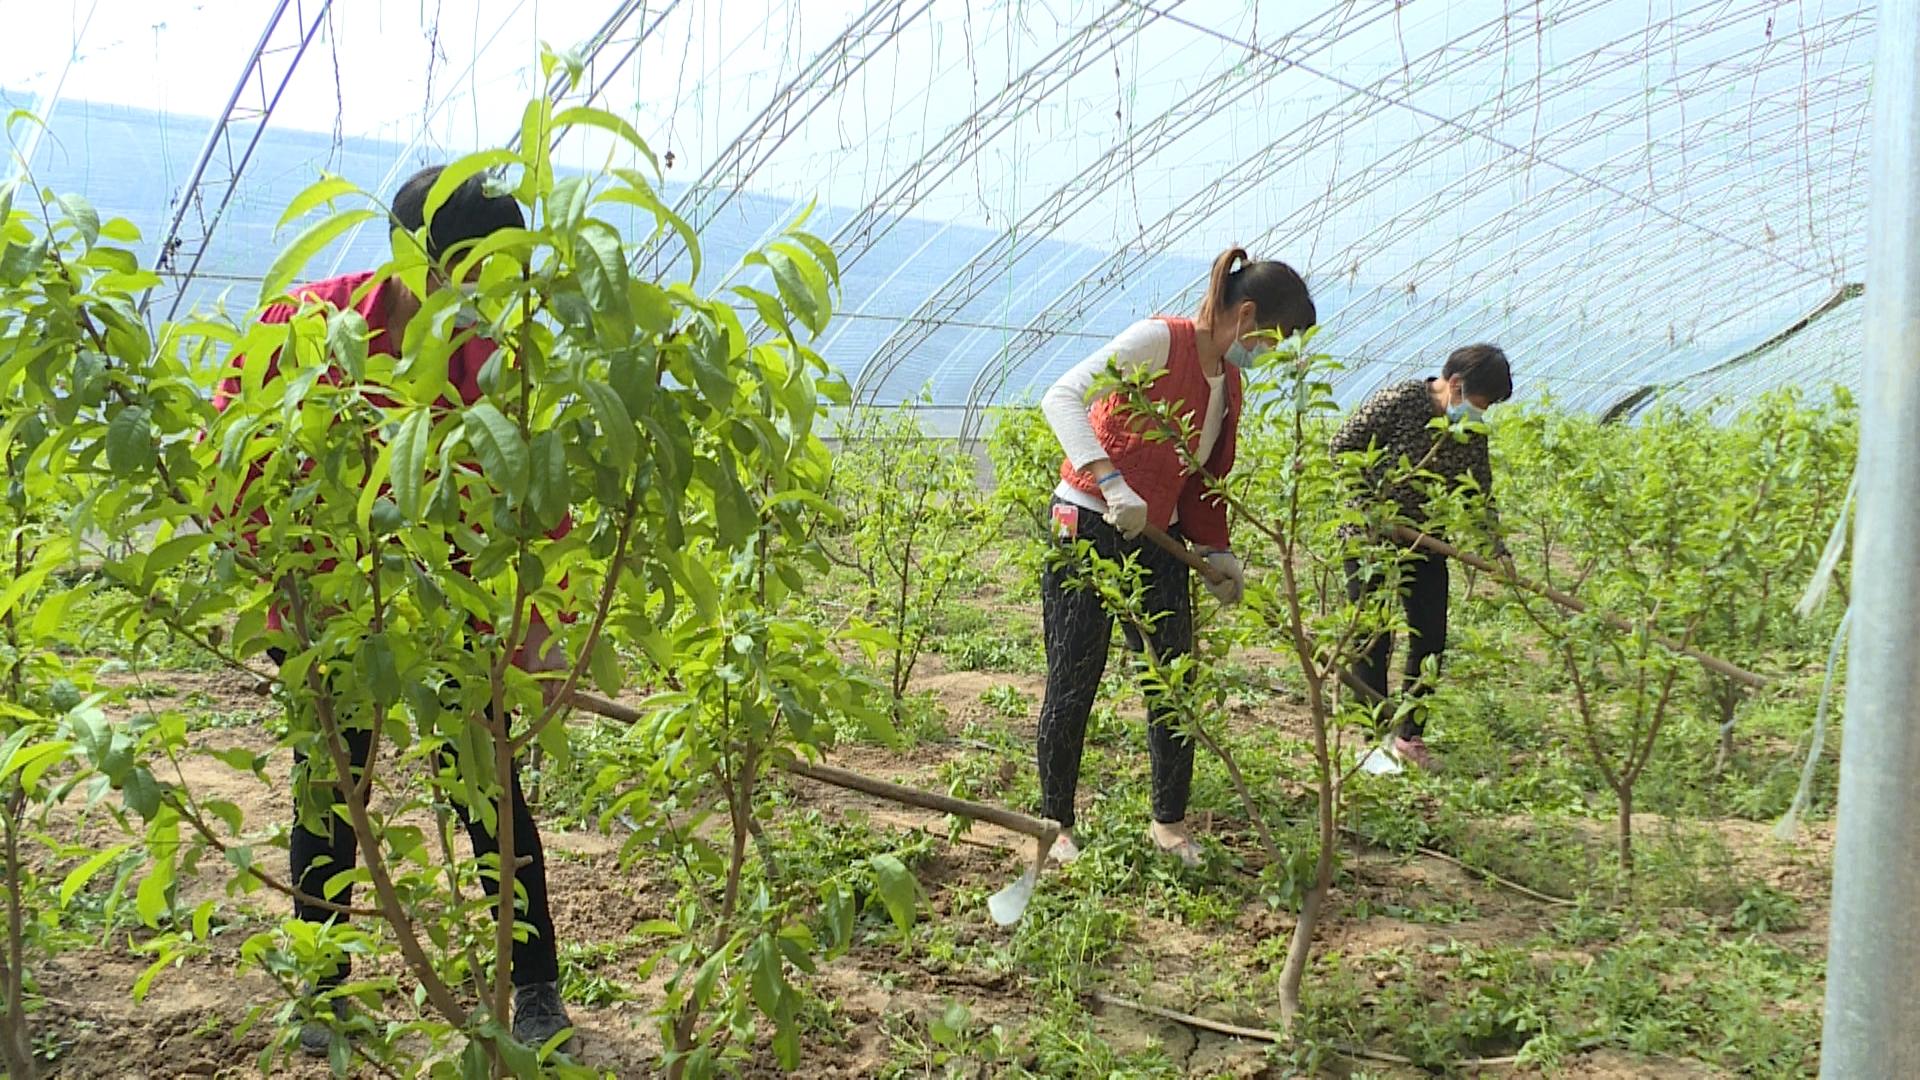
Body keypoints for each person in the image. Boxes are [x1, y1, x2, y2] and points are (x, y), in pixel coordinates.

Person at [215, 166, 576, 1057]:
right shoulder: (304, 330)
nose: (482, 295)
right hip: (331, 614)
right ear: (415, 258)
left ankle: (535, 990)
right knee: (329, 791)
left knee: (490, 794)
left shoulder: (498, 363)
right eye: (468, 271)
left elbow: (542, 506)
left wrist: (533, 631)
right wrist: (291, 590)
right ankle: (323, 986)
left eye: (500, 274)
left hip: (455, 617)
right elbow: (230, 462)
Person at [1034, 248, 1316, 867]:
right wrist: (1108, 481)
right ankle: (1053, 823)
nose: (1268, 356)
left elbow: (1199, 480)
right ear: (1246, 317)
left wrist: (1217, 552)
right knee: (1075, 674)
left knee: (1174, 679)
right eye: (1274, 340)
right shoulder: (1158, 341)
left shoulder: (1228, 385)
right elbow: (1063, 396)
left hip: (1155, 534)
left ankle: (1168, 822)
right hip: (1086, 520)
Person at [1330, 344, 1515, 770]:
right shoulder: (1401, 401)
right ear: (1455, 385)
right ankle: (1374, 739)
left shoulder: (1469, 433)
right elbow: (1342, 447)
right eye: (1478, 404)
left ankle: (1409, 736)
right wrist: (1372, 506)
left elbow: (1477, 491)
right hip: (1369, 537)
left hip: (1426, 541)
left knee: (1430, 637)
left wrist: (1497, 548)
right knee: (1372, 636)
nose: (1478, 415)